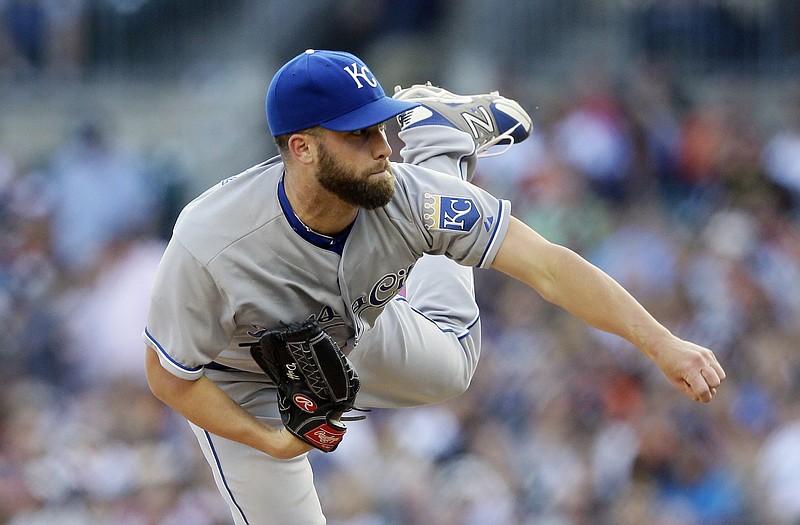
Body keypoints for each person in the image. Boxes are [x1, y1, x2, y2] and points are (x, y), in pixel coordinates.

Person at [143, 49, 725, 525]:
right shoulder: (211, 243)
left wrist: (661, 344)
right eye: (357, 134)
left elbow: (549, 266)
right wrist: (265, 440)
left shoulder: (406, 194)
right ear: (301, 147)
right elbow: (168, 376)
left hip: (347, 329)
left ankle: (437, 141)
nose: (380, 146)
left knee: (452, 370)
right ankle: (442, 142)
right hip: (239, 384)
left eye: (382, 125)